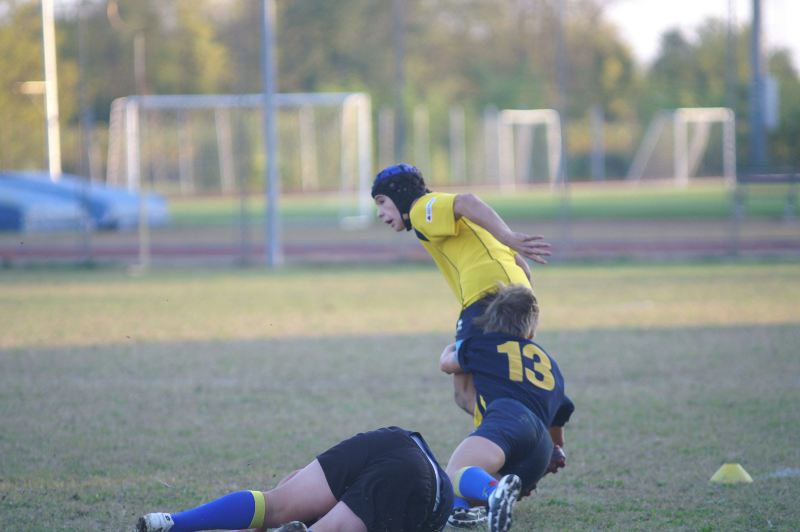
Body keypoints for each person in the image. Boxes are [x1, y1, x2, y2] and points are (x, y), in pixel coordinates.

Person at [136, 426, 455, 532]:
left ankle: (171, 522)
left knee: (275, 504)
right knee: (323, 527)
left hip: (395, 439)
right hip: (423, 484)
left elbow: (294, 479)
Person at [439, 284, 575, 532]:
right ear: (530, 332)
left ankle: (494, 493)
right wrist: (555, 450)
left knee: (453, 475)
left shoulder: (484, 344)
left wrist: (455, 346)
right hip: (540, 450)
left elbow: (447, 364)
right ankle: (461, 512)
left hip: (508, 418)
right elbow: (560, 418)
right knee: (460, 494)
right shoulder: (550, 364)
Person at [371, 163, 551, 347]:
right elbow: (522, 266)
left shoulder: (420, 208)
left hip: (486, 291)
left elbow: (467, 201)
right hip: (517, 289)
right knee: (501, 360)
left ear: (400, 194)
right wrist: (528, 302)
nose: (379, 213)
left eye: (381, 201)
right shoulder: (469, 221)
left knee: (461, 360)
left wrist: (507, 236)